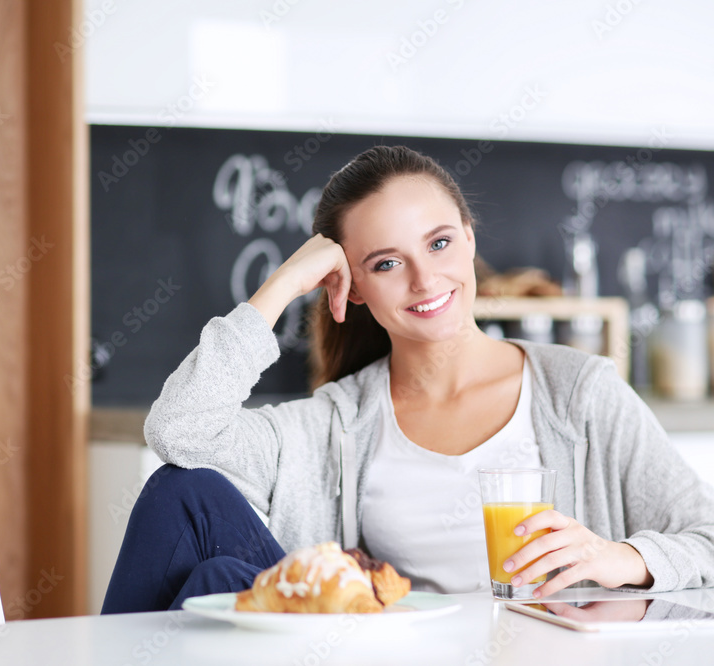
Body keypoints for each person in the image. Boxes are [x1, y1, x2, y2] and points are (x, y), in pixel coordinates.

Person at [101, 145, 714, 614]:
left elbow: (708, 542)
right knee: (179, 493)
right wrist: (281, 285)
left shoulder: (578, 394)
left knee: (213, 587)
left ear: (469, 240)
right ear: (355, 287)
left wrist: (623, 557)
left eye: (440, 243)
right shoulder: (338, 423)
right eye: (387, 263)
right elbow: (179, 432)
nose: (425, 281)